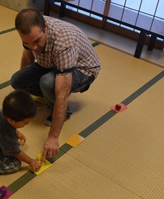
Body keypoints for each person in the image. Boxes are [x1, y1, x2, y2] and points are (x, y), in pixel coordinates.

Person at [11, 9, 101, 162]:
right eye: (28, 43)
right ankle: (48, 95)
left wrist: (53, 137)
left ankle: (63, 112)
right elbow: (27, 58)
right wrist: (22, 99)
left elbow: (63, 92)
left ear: (45, 28)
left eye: (37, 41)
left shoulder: (64, 42)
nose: (33, 47)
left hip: (83, 70)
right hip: (53, 63)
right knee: (17, 81)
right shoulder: (30, 31)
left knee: (47, 82)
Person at [0, 90, 42, 177]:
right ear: (11, 120)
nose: (26, 124)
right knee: (15, 164)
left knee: (8, 142)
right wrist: (31, 161)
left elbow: (10, 127)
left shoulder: (1, 112)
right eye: (25, 123)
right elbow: (17, 153)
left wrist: (16, 132)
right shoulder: (6, 135)